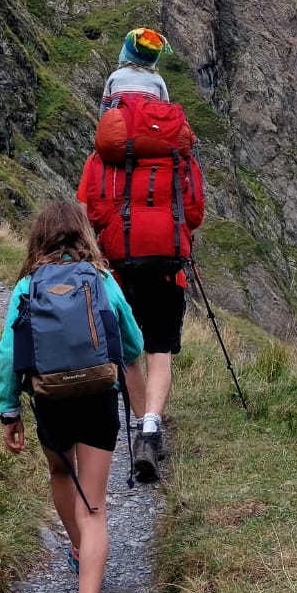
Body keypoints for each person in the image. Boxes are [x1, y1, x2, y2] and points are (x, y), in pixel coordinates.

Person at [0, 201, 144, 593]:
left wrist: (9, 411)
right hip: (99, 395)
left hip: (49, 399)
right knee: (95, 506)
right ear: (84, 235)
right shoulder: (100, 280)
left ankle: (80, 553)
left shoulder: (27, 286)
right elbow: (135, 342)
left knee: (62, 472)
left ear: (38, 238)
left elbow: (7, 354)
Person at [79, 41, 205, 482]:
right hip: (168, 263)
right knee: (160, 348)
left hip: (119, 264)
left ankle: (137, 426)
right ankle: (152, 428)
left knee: (129, 346)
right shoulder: (180, 148)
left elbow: (88, 209)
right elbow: (194, 212)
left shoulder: (104, 151)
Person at [100, 26, 170, 109]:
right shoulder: (158, 80)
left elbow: (105, 106)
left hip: (120, 121)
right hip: (148, 121)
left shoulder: (115, 77)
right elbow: (165, 107)